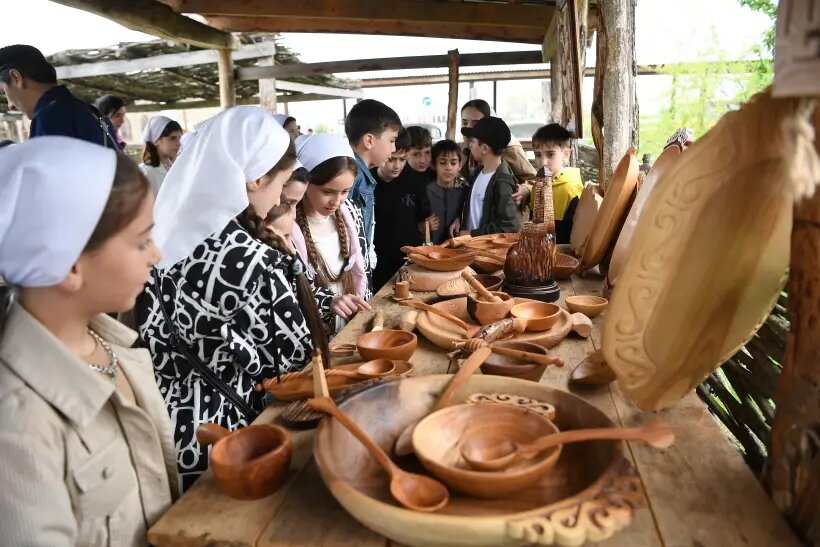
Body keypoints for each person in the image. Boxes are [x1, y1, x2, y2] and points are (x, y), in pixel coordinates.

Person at [134, 107, 348, 490]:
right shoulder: (251, 260)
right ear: (255, 178)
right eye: (281, 184)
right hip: (234, 438)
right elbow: (296, 364)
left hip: (163, 432)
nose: (282, 197)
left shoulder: (155, 243)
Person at [0, 137, 176, 545]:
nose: (157, 255)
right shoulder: (19, 430)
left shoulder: (113, 347)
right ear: (69, 263)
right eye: (141, 241)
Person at [292, 135, 372, 333]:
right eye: (327, 191)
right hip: (314, 331)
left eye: (345, 191)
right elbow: (288, 289)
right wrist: (328, 302)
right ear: (305, 182)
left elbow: (364, 269)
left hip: (350, 323)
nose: (337, 201)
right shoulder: (288, 226)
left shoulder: (351, 212)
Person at [0, 45, 117, 147]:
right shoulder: (90, 111)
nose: (10, 106)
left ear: (16, 78)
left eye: (3, 91)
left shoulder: (50, 117)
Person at [372, 128, 434, 290]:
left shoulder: (417, 181)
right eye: (392, 159)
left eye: (403, 159)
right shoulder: (367, 183)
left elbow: (423, 217)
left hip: (409, 259)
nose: (397, 166)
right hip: (377, 261)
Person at [345, 99, 402, 269]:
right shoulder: (353, 177)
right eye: (392, 140)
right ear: (369, 140)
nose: (393, 149)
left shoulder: (361, 174)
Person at [460, 99, 536, 204]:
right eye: (464, 122)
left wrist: (524, 190)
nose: (468, 128)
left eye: (476, 123)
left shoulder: (509, 150)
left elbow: (535, 181)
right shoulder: (464, 152)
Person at [459, 116, 521, 236]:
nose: (469, 145)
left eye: (473, 142)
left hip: (488, 252)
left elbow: (508, 226)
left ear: (485, 148)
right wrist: (459, 220)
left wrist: (471, 234)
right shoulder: (477, 173)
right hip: (472, 249)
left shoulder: (502, 182)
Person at [531, 124, 583, 243]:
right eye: (538, 155)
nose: (543, 162)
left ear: (566, 154)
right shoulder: (537, 185)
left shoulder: (571, 190)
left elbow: (576, 237)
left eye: (550, 154)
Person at [427, 139, 469, 244]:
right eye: (442, 163)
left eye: (453, 163)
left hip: (457, 250)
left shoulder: (465, 193)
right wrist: (424, 226)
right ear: (433, 165)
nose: (448, 168)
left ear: (460, 165)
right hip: (430, 252)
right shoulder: (425, 192)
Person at [139, 115, 183, 195]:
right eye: (172, 138)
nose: (179, 143)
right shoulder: (145, 173)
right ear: (156, 140)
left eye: (179, 138)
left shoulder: (178, 167)